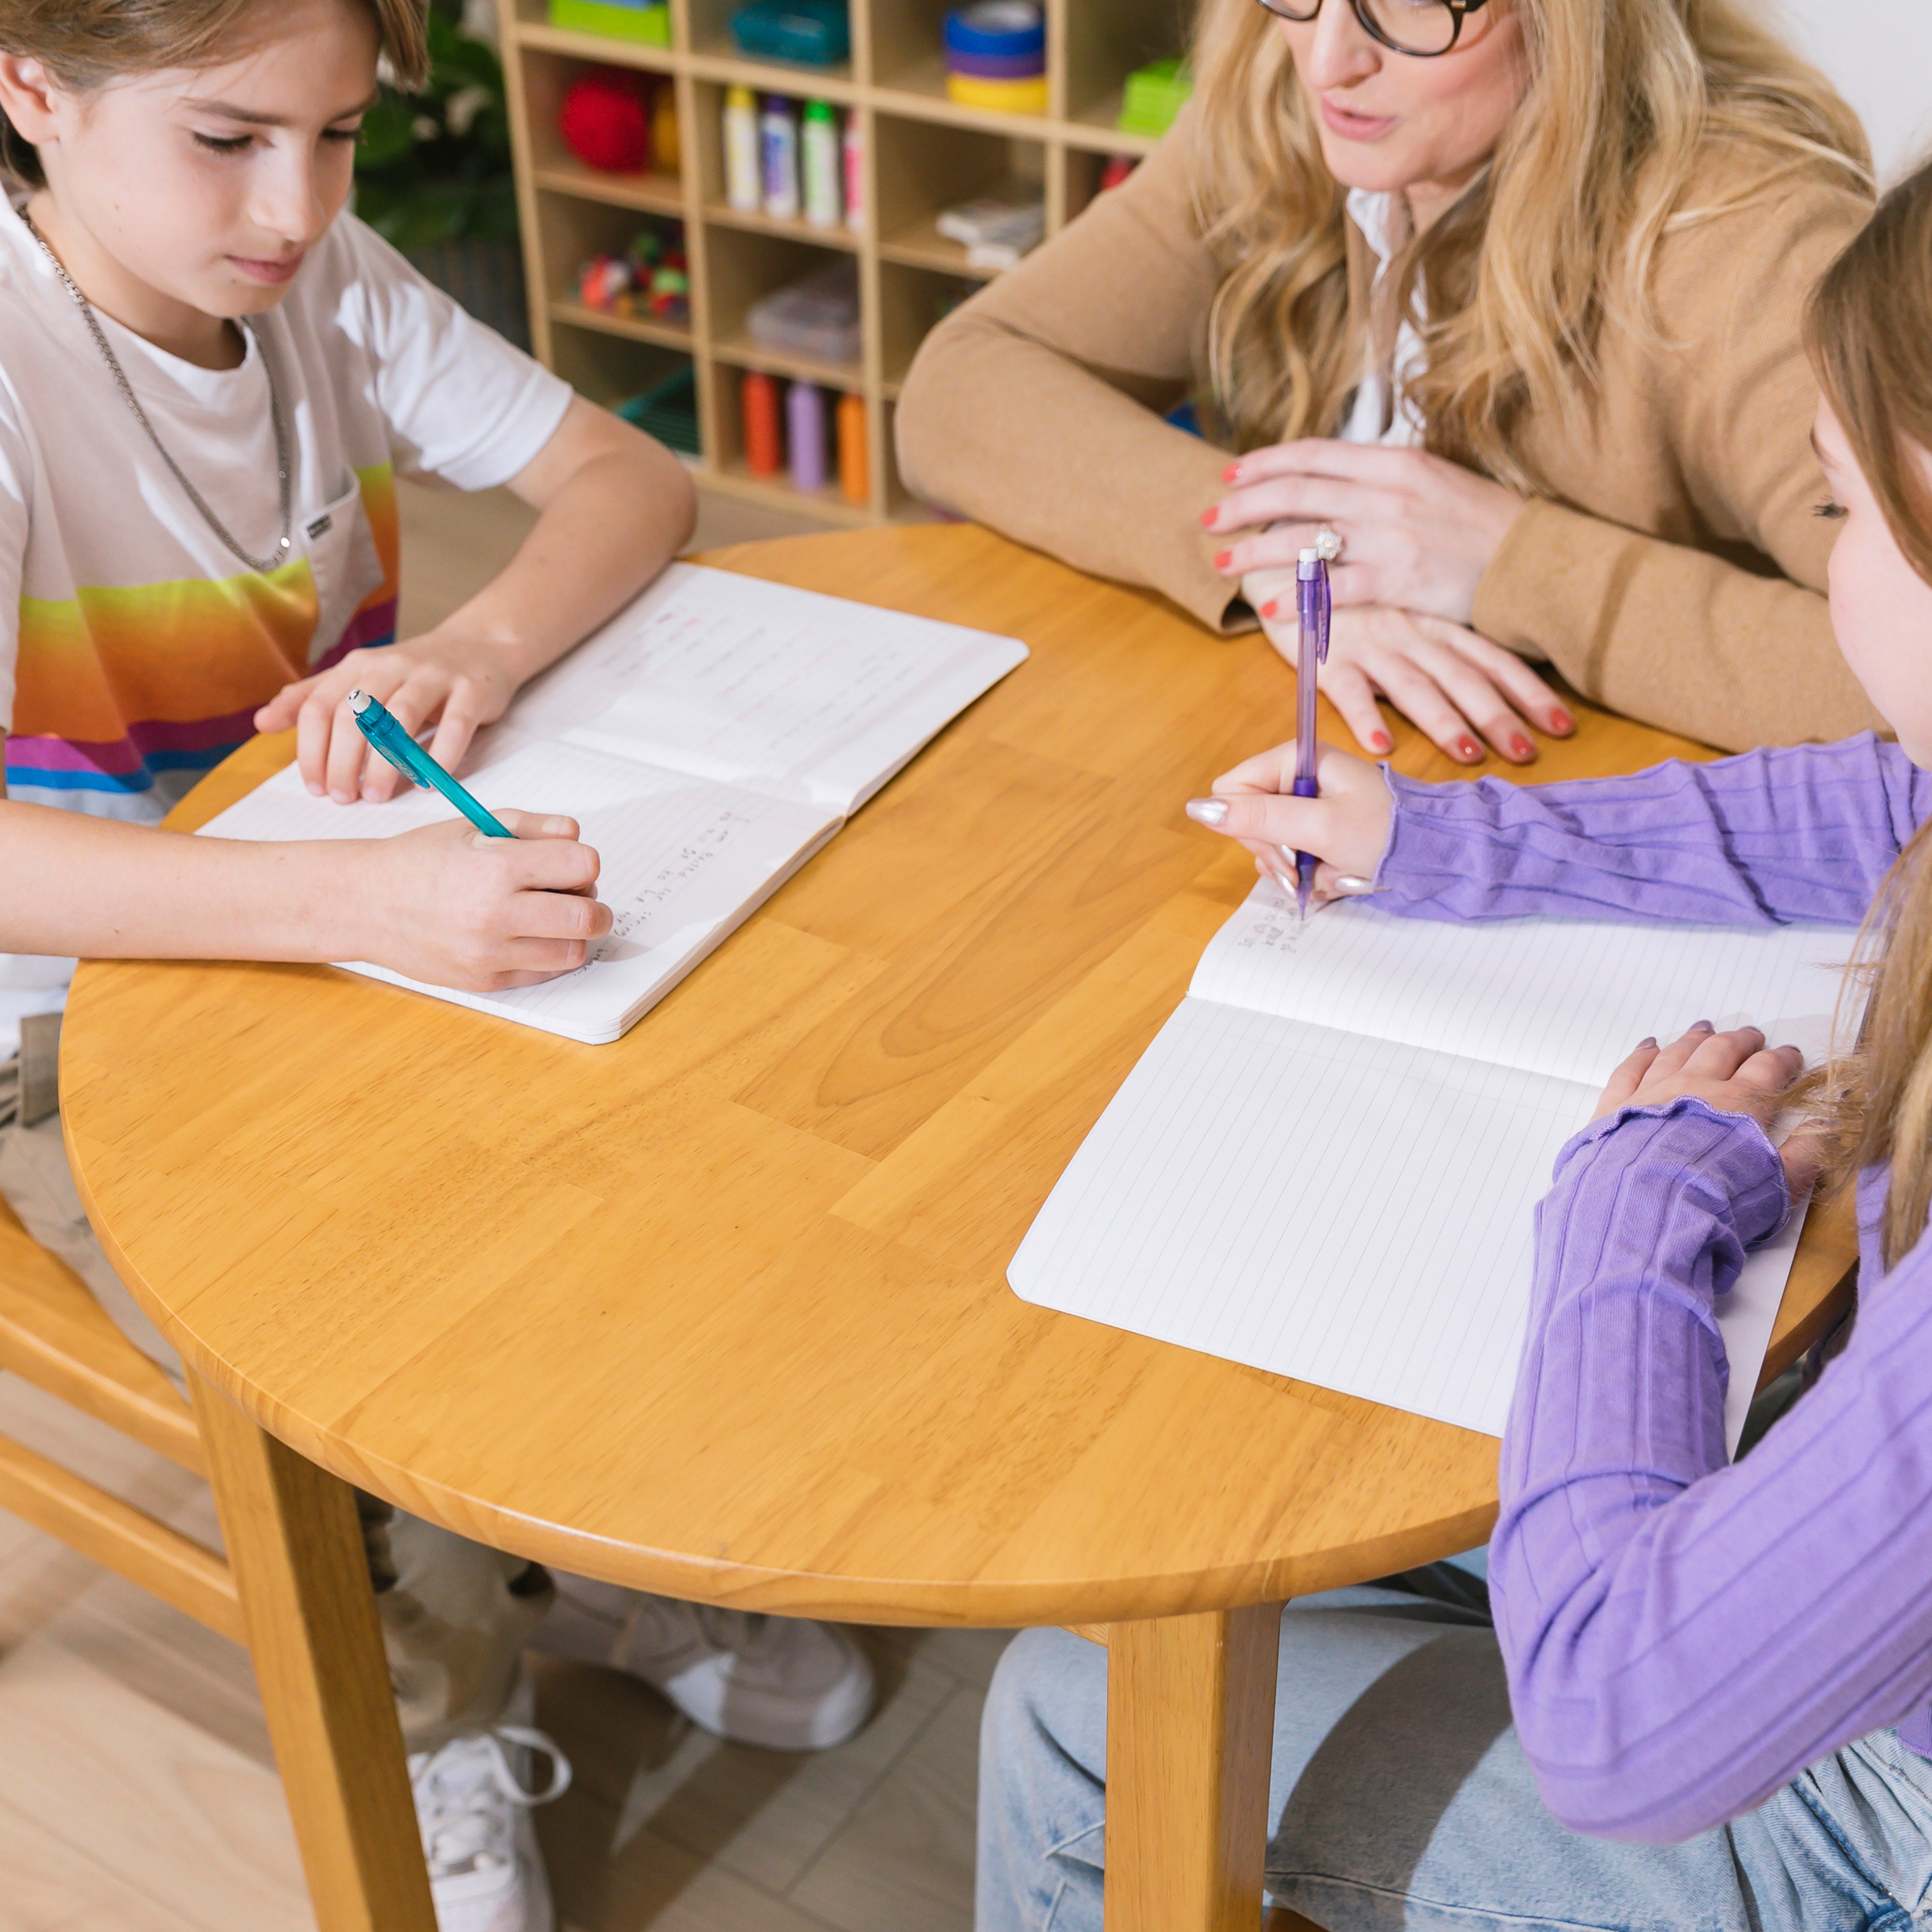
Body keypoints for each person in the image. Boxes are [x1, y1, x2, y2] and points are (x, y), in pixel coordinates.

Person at [977, 155, 1932, 1931]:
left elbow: (1622, 1732)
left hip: (1877, 1812)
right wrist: (1451, 846)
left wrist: (1633, 1212)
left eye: (1844, 513)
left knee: (1071, 1701)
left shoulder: (1720, 224)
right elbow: (1870, 797)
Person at [0, 4, 871, 1929]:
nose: (298, 203)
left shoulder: (317, 274)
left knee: (662, 1132)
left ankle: (562, 1541)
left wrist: (470, 653)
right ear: (29, 88)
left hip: (331, 907)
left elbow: (626, 485)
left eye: (337, 136)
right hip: (65, 1010)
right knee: (347, 1322)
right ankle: (445, 1708)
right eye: (232, 138)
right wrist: (361, 905)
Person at [896, 0, 1884, 766]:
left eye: (1410, 0)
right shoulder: (1280, 108)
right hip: (1348, 791)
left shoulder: (1750, 243)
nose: (1329, 60)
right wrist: (1293, 564)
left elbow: (1903, 682)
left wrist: (1512, 561)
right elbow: (960, 387)